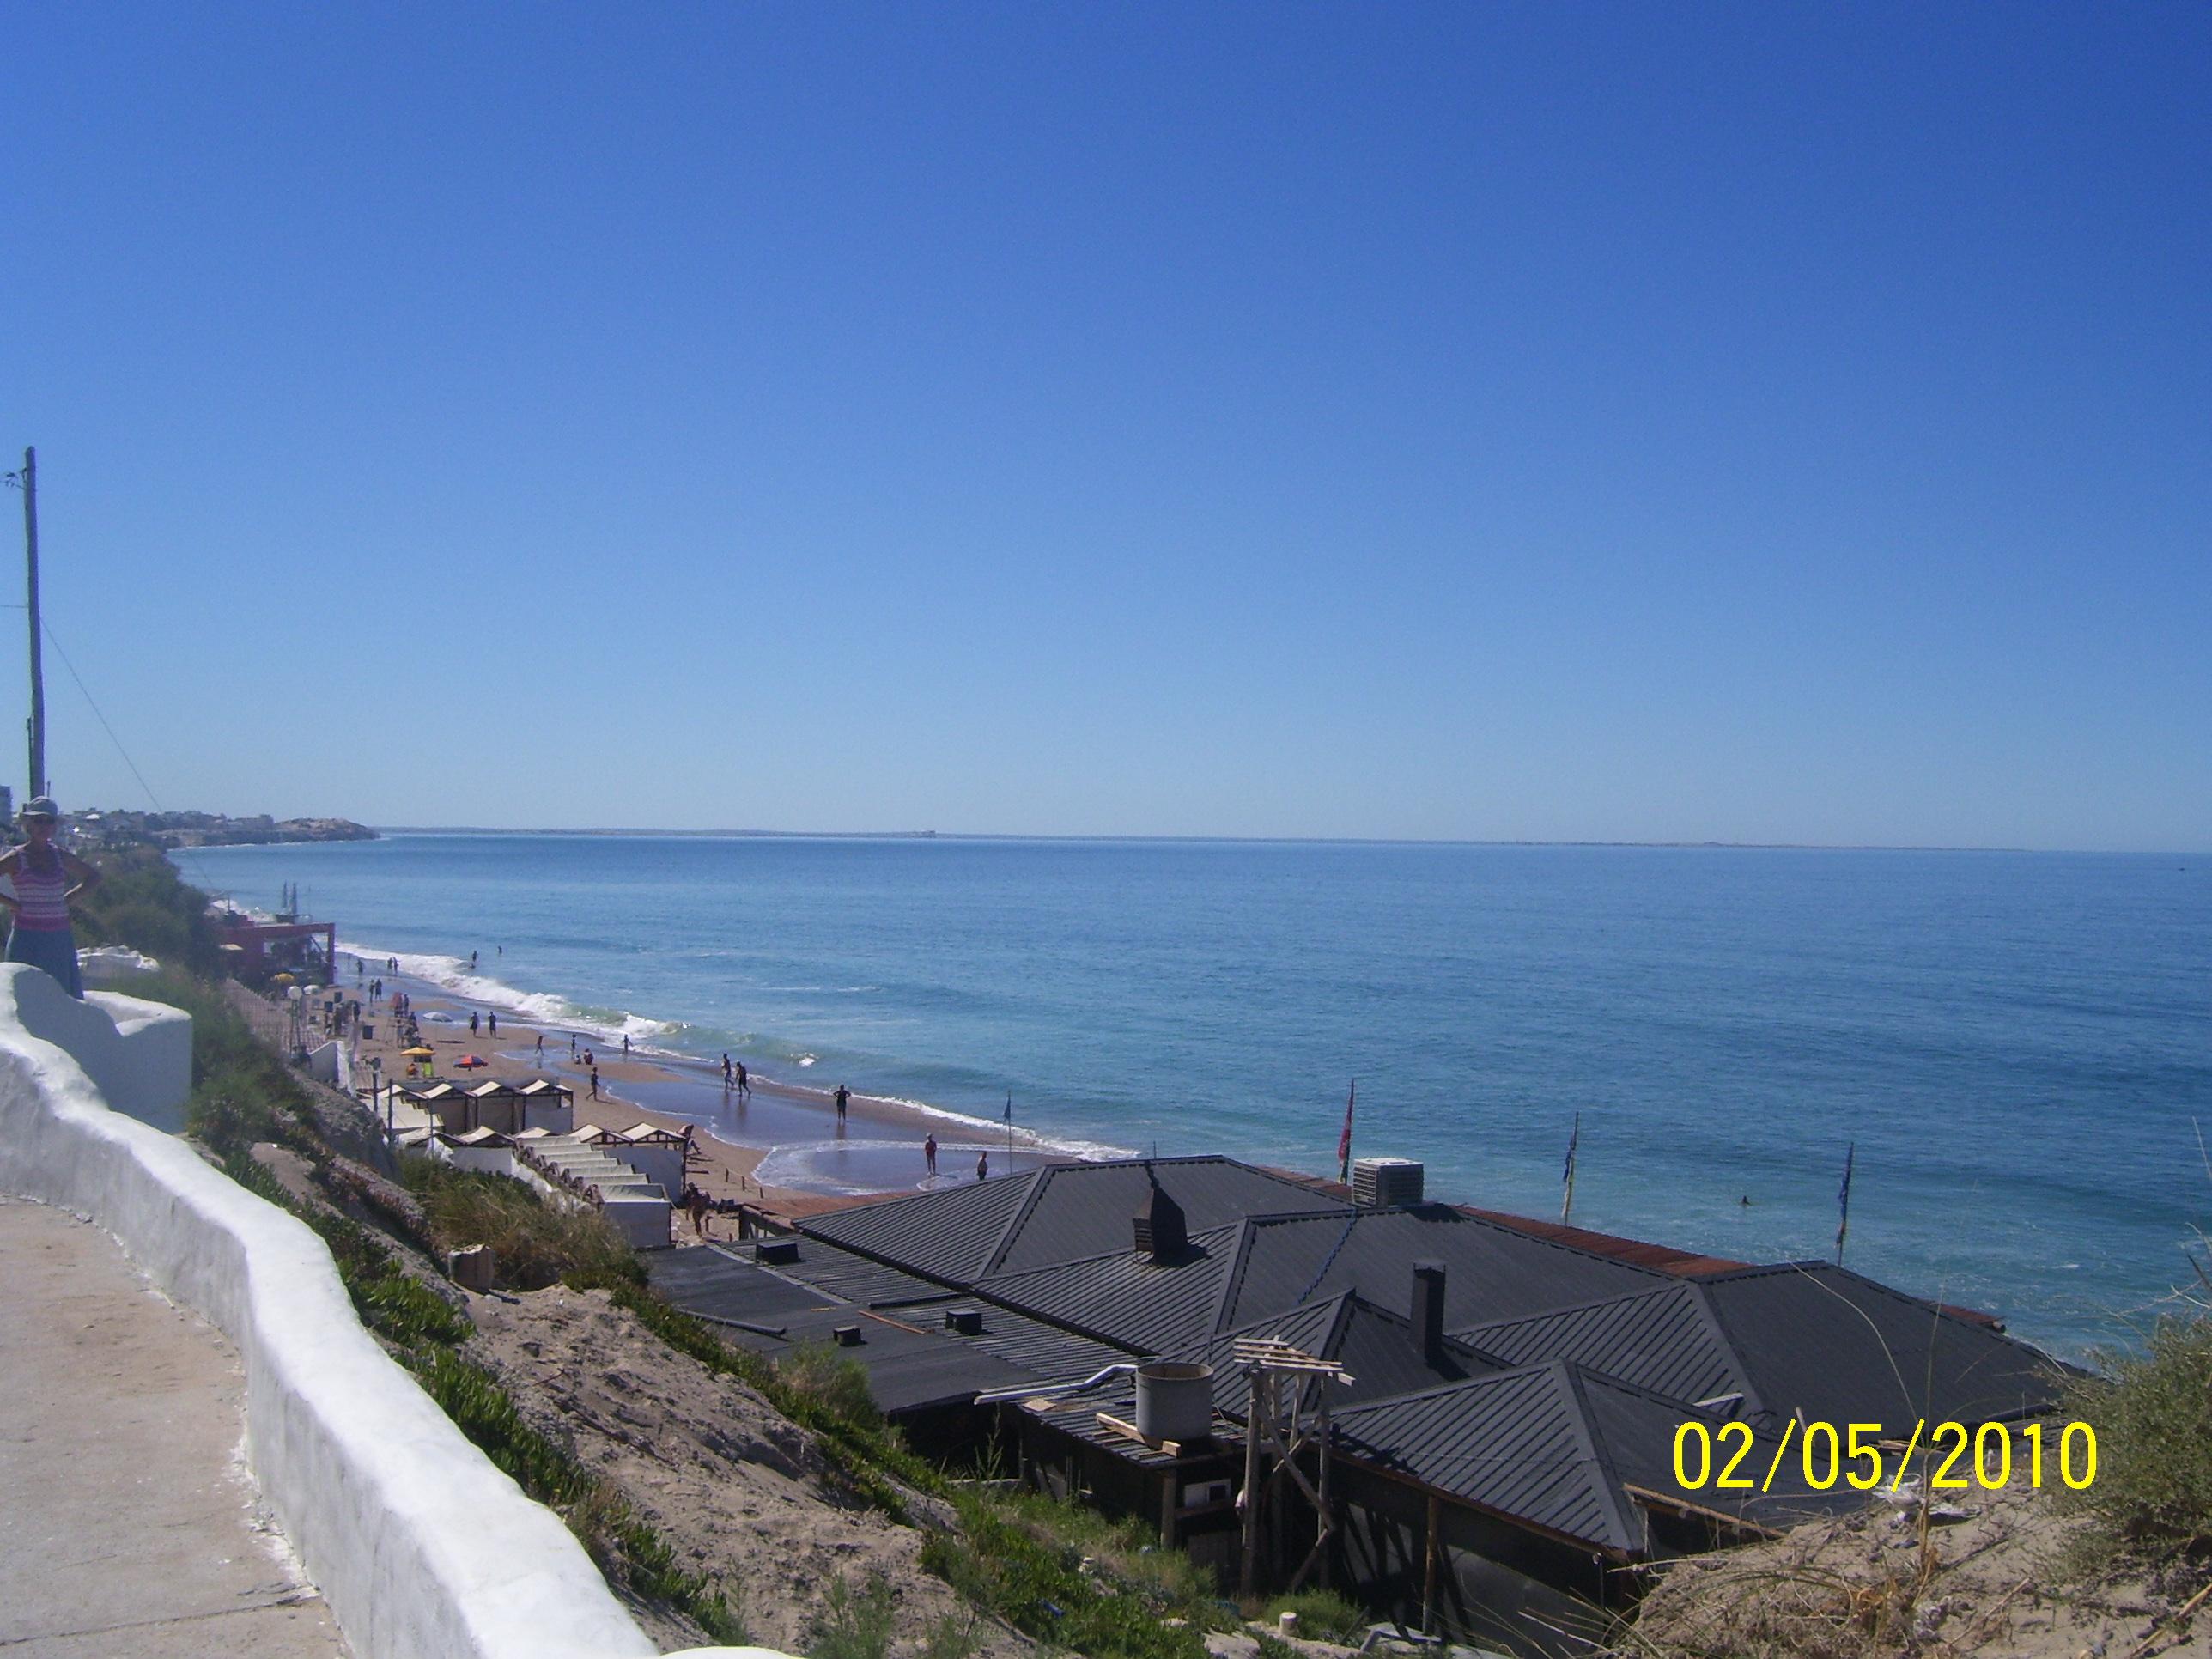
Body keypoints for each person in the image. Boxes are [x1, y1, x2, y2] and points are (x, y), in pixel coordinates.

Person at [0, 798, 98, 999]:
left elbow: (94, 877)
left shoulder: (59, 855)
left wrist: (67, 900)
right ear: (28, 824)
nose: (44, 826)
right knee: (24, 996)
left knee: (61, 996)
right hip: (27, 937)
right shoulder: (17, 857)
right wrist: (12, 904)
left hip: (58, 937)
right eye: (38, 821)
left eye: (49, 821)